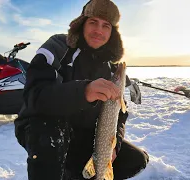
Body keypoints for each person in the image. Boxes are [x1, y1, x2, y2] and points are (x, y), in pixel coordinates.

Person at [14, 0, 149, 179]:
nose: (98, 30)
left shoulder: (110, 68)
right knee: (52, 133)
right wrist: (83, 92)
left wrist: (112, 146)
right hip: (42, 127)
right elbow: (35, 96)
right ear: (82, 23)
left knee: (136, 159)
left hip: (83, 134)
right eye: (93, 22)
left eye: (106, 25)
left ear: (112, 32)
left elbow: (119, 114)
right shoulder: (58, 46)